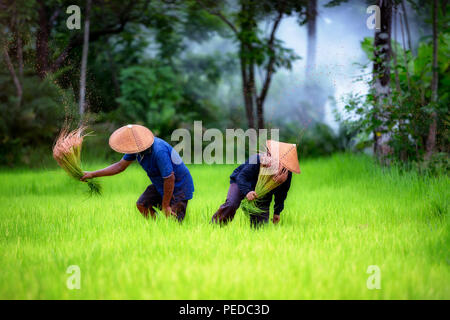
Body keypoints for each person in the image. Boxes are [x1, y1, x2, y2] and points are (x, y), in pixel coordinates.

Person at [81, 124, 194, 222]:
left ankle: (169, 233)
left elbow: (169, 178)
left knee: (173, 219)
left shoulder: (159, 151)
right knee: (142, 205)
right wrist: (92, 174)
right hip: (161, 184)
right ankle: (157, 228)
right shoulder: (136, 149)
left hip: (179, 186)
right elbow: (120, 166)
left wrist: (165, 206)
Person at [211, 140, 300, 227]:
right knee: (232, 204)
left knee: (260, 226)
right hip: (241, 182)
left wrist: (277, 212)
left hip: (263, 192)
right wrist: (247, 191)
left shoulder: (285, 174)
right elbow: (242, 177)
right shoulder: (257, 159)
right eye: (270, 155)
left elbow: (282, 193)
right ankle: (214, 226)